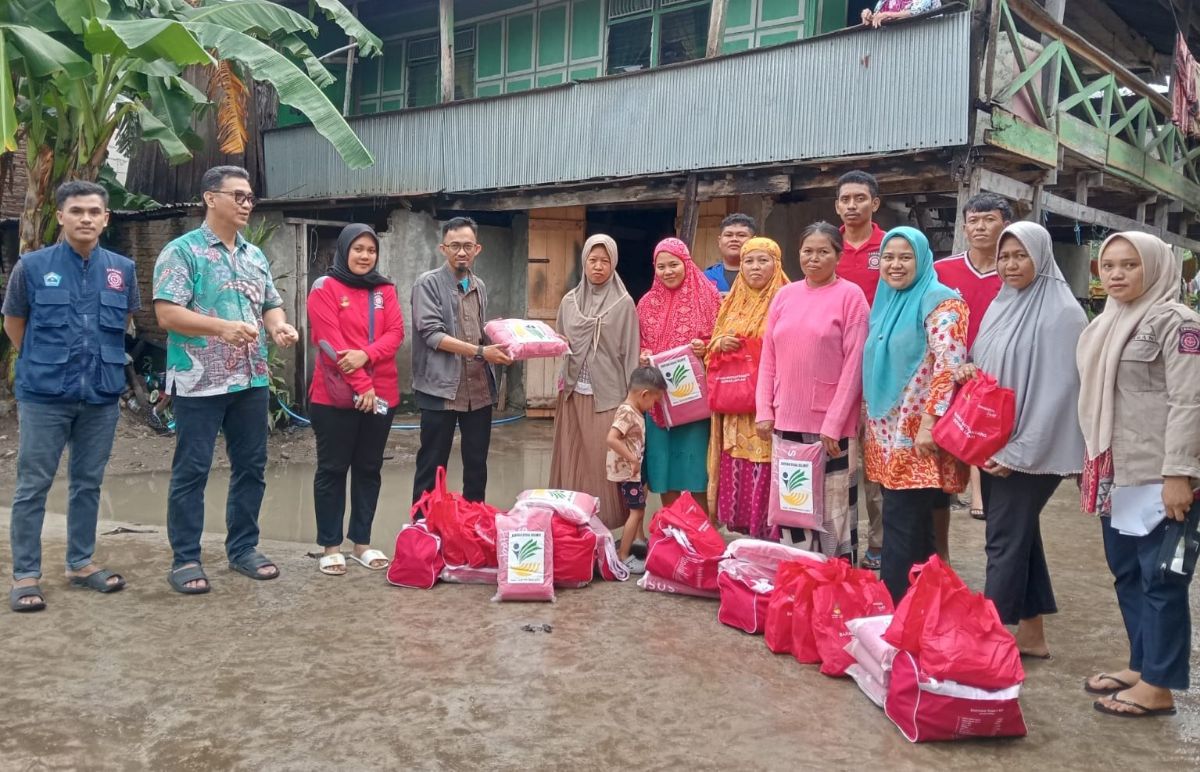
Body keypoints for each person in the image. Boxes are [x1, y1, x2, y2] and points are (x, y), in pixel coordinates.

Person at [154, 165, 300, 594]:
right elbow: (167, 314)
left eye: (250, 197)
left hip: (250, 379)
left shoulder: (254, 256)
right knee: (192, 470)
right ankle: (185, 559)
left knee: (251, 467)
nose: (246, 204)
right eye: (238, 196)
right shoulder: (182, 252)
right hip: (199, 381)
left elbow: (270, 304)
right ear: (210, 198)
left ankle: (243, 549)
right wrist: (221, 328)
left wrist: (279, 326)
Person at [1078, 232, 1200, 719]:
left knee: (1162, 577)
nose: (1116, 274)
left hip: (1158, 472)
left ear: (1154, 267)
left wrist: (1179, 473)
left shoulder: (1178, 323)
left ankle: (1159, 686)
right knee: (1127, 571)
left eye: (1130, 265)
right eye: (1108, 265)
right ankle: (1141, 665)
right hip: (1117, 471)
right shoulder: (1109, 322)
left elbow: (1190, 401)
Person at [5, 181, 138, 612]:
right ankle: (26, 574)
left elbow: (123, 322)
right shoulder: (32, 266)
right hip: (45, 394)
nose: (86, 218)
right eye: (77, 211)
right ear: (60, 216)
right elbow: (14, 324)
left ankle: (80, 563)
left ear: (105, 218)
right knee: (33, 485)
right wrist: (46, 362)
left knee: (88, 483)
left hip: (100, 394)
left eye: (94, 211)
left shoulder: (122, 269)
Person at [957, 222, 1086, 658]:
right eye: (1004, 256)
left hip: (1031, 449)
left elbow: (1060, 393)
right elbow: (987, 360)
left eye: (1020, 255)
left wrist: (1019, 452)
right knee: (1020, 535)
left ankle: (988, 640)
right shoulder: (1002, 303)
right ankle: (1032, 636)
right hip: (996, 442)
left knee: (1003, 539)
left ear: (1042, 257)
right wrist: (969, 368)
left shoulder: (1063, 315)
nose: (1010, 265)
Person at [863, 226, 968, 602]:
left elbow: (948, 366)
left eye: (905, 257)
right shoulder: (886, 301)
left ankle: (894, 605)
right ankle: (920, 604)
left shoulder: (942, 302)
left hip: (916, 433)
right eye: (888, 257)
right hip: (886, 431)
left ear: (922, 260)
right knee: (913, 525)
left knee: (902, 525)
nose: (895, 265)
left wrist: (930, 423)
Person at [756, 223, 869, 558]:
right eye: (808, 251)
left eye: (823, 252)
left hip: (830, 430)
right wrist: (764, 409)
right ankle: (798, 573)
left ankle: (835, 577)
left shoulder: (851, 297)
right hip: (787, 422)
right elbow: (768, 358)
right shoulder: (784, 296)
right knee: (795, 507)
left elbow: (854, 366)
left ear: (838, 255)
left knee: (834, 510)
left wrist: (834, 423)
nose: (814, 258)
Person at [306, 224, 405, 576]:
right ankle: (330, 546)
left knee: (368, 468)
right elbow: (329, 343)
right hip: (334, 397)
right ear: (344, 250)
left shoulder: (384, 289)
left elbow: (396, 333)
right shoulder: (325, 287)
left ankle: (361, 543)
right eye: (358, 249)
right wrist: (363, 385)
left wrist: (366, 355)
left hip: (382, 395)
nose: (365, 256)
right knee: (332, 469)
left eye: (371, 250)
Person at [411, 216, 513, 504]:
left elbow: (479, 331)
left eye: (468, 246)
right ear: (443, 248)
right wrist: (481, 352)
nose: (461, 252)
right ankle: (424, 524)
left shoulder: (479, 285)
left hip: (478, 390)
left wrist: (508, 342)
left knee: (477, 465)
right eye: (454, 245)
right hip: (441, 389)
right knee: (432, 464)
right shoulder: (428, 284)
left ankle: (474, 519)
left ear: (477, 249)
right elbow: (432, 335)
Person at [549, 234, 641, 529]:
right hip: (573, 392)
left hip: (609, 395)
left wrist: (632, 401)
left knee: (604, 459)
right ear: (584, 262)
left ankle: (608, 523)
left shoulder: (624, 304)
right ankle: (573, 521)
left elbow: (631, 352)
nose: (598, 266)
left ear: (613, 264)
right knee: (573, 455)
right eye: (593, 260)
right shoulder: (569, 302)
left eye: (605, 261)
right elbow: (560, 343)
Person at [706, 237, 790, 539]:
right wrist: (719, 344)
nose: (755, 267)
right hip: (736, 408)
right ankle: (747, 535)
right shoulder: (731, 303)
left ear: (776, 264)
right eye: (749, 261)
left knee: (769, 464)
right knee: (739, 463)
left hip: (771, 405)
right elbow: (710, 351)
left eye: (763, 260)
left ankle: (772, 534)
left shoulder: (787, 300)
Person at [936, 193, 1012, 526]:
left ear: (1005, 225)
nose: (980, 227)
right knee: (944, 447)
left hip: (996, 370)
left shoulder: (1013, 271)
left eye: (989, 219)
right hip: (949, 369)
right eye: (973, 221)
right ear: (964, 227)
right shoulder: (942, 271)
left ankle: (981, 491)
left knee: (987, 433)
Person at [637, 237, 722, 515]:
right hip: (659, 400)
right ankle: (675, 525)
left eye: (673, 264)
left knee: (696, 467)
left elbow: (721, 340)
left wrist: (705, 347)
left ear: (686, 262)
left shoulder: (708, 296)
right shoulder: (647, 303)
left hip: (694, 403)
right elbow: (638, 341)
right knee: (664, 467)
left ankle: (700, 528)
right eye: (661, 266)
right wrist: (643, 354)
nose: (667, 271)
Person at [834, 170, 887, 569]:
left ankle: (879, 545)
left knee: (875, 464)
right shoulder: (827, 245)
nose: (852, 205)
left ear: (875, 203)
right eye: (845, 199)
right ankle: (836, 541)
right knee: (835, 459)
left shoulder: (889, 248)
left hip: (877, 371)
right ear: (837, 206)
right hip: (833, 371)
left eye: (860, 198)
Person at [608, 367, 667, 573]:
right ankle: (623, 556)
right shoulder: (627, 412)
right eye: (654, 401)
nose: (653, 407)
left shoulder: (635, 411)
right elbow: (611, 438)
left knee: (637, 511)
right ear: (644, 394)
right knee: (637, 511)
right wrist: (632, 459)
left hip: (633, 472)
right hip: (628, 472)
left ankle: (628, 548)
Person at [702, 213, 757, 294]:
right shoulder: (705, 278)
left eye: (741, 235)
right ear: (719, 241)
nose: (734, 239)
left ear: (754, 241)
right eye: (728, 235)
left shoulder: (764, 276)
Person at [861, 0, 942, 27]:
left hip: (929, 40)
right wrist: (868, 16)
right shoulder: (884, 1)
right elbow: (878, 16)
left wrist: (888, 14)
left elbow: (917, 11)